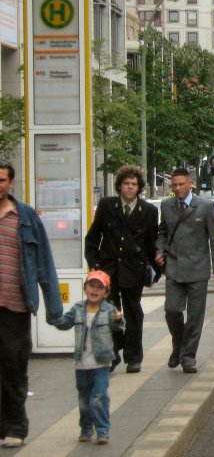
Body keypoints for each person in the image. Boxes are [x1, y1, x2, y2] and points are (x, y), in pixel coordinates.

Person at [0, 160, 63, 448]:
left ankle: (15, 426)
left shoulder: (25, 216)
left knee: (14, 366)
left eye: (2, 180)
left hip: (15, 305)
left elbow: (43, 263)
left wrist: (54, 308)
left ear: (10, 183)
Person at [84, 165, 158, 374]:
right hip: (108, 270)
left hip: (134, 270)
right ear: (119, 186)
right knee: (108, 313)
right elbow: (92, 238)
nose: (130, 188)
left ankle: (134, 357)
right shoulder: (107, 206)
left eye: (134, 184)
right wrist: (95, 265)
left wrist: (156, 269)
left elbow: (152, 245)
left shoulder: (149, 211)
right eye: (126, 183)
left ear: (139, 187)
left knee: (134, 312)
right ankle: (113, 352)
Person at [154, 168, 214, 374]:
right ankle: (179, 343)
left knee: (195, 316)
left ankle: (188, 357)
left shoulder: (204, 206)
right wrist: (159, 250)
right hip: (174, 268)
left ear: (190, 183)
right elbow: (163, 232)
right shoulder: (167, 206)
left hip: (198, 269)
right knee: (172, 310)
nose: (177, 188)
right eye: (174, 185)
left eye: (181, 184)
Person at [53, 270, 123, 445]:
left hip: (101, 362)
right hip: (81, 363)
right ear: (85, 289)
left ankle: (102, 430)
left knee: (99, 396)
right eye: (92, 286)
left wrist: (118, 320)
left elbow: (119, 328)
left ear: (106, 292)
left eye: (100, 287)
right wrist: (53, 316)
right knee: (84, 399)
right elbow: (64, 324)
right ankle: (86, 427)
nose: (95, 290)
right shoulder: (77, 308)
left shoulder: (109, 309)